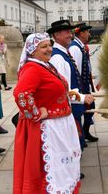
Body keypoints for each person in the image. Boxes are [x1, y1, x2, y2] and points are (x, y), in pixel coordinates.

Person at [13, 32, 81, 194]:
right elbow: (21, 94)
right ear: (32, 50)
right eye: (43, 46)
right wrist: (36, 114)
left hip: (59, 124)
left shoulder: (45, 65)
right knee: (52, 172)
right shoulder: (33, 68)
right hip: (49, 128)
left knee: (63, 169)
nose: (49, 49)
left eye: (49, 45)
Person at [48, 20, 94, 153]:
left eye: (70, 31)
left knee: (76, 141)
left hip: (73, 107)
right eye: (67, 32)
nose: (71, 35)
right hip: (69, 108)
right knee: (74, 143)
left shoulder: (63, 53)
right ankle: (73, 172)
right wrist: (82, 98)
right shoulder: (58, 58)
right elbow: (63, 90)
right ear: (56, 35)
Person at [69, 23, 98, 142]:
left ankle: (85, 132)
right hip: (80, 87)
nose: (89, 34)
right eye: (87, 32)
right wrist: (81, 91)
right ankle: (81, 134)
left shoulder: (80, 46)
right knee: (82, 110)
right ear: (81, 33)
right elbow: (76, 71)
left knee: (89, 108)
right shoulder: (75, 48)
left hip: (85, 85)